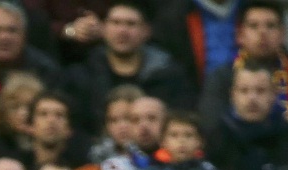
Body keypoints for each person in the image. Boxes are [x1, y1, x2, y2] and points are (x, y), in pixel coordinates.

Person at [64, 1, 193, 135]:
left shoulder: (169, 76)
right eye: (115, 23)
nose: (122, 31)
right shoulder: (82, 75)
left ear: (146, 31)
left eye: (131, 24)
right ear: (103, 28)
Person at [196, 0, 288, 133]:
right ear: (240, 35)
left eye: (270, 26)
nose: (262, 32)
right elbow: (211, 128)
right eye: (253, 26)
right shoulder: (221, 79)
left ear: (283, 34)